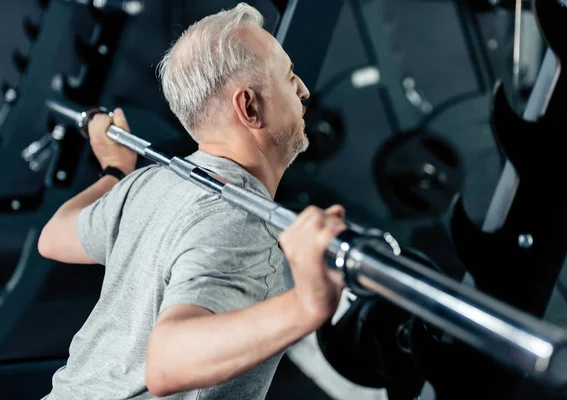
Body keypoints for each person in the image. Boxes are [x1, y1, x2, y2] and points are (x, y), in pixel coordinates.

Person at [38, 3, 346, 399]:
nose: (303, 90)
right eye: (289, 78)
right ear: (249, 107)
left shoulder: (148, 182)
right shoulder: (239, 220)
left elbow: (54, 234)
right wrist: (307, 304)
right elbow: (168, 363)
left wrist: (115, 169)